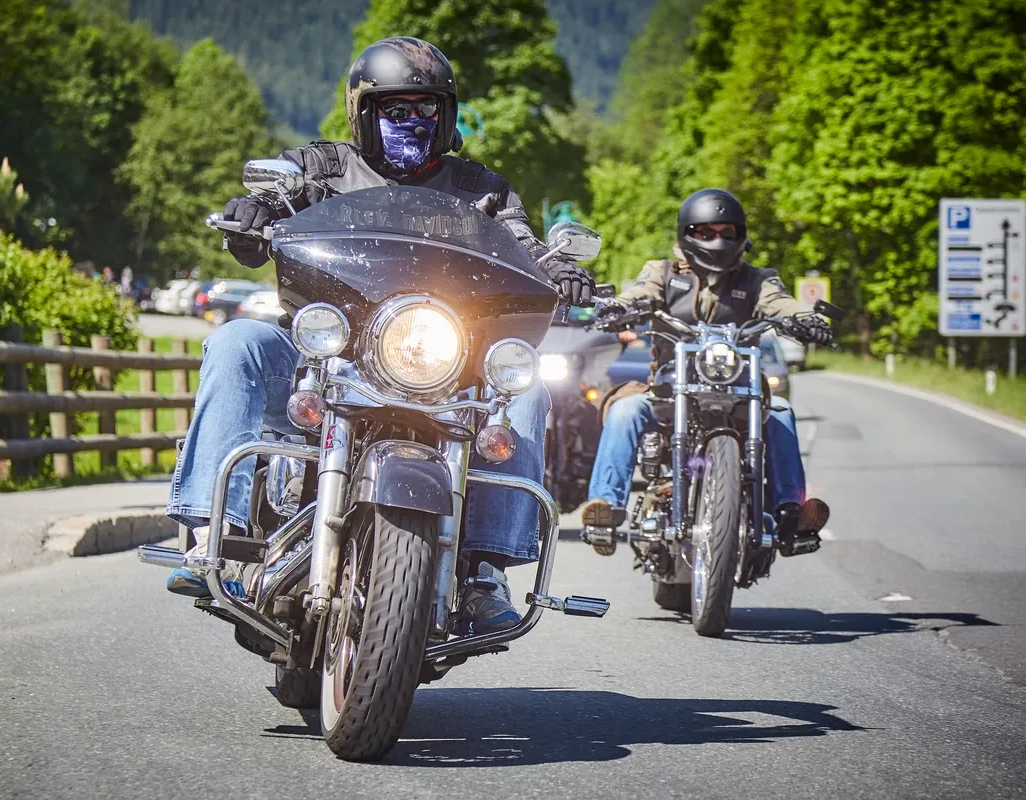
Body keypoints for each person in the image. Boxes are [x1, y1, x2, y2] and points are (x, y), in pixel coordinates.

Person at [164, 37, 596, 633]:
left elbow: (522, 243)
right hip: (324, 355)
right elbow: (272, 195)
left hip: (440, 366)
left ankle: (483, 570)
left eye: (424, 110)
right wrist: (253, 214)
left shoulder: (482, 189)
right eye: (395, 110)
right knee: (237, 342)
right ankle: (213, 534)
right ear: (363, 112)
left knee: (526, 390)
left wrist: (559, 268)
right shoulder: (323, 167)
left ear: (446, 115)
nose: (410, 122)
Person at [579, 188, 831, 553]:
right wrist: (619, 306)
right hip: (669, 389)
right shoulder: (662, 272)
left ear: (740, 235)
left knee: (781, 413)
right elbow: (639, 293)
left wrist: (803, 318)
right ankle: (605, 507)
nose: (717, 240)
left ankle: (790, 513)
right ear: (688, 233)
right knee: (624, 409)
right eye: (706, 232)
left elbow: (780, 303)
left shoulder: (758, 279)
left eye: (727, 232)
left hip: (741, 391)